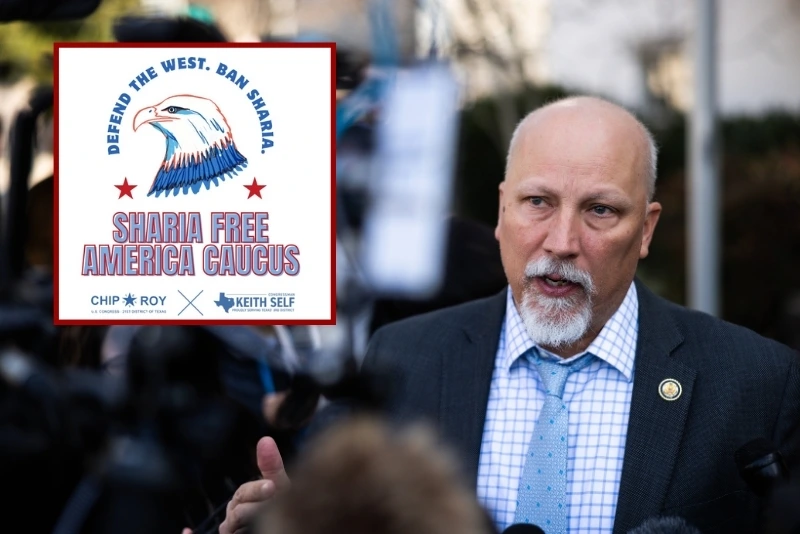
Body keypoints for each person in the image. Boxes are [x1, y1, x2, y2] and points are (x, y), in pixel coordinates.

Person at [219, 96, 800, 534]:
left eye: (600, 210)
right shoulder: (404, 358)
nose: (561, 241)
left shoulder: (757, 383)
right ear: (501, 210)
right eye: (538, 203)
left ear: (645, 230)